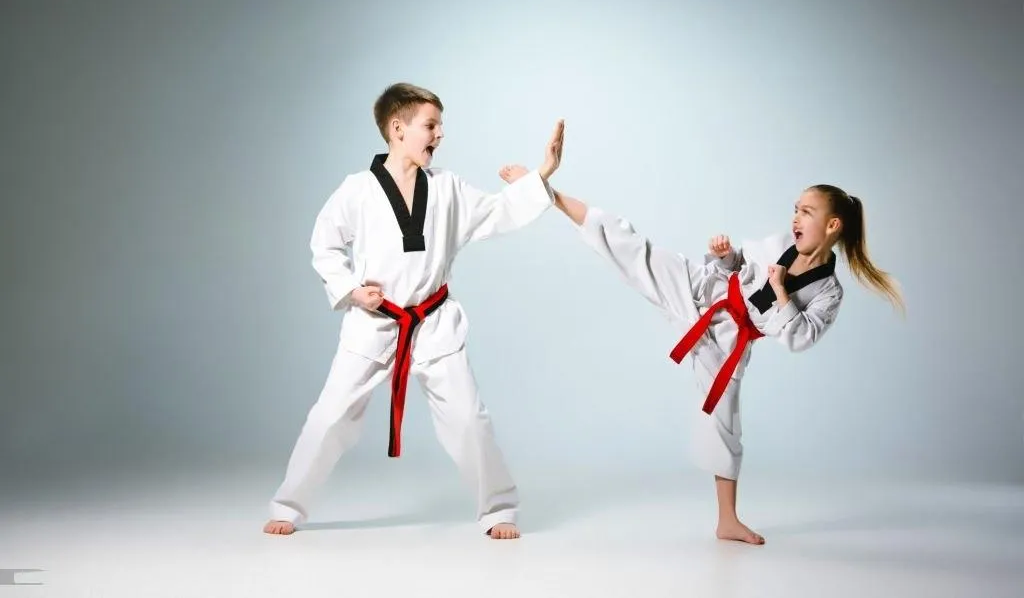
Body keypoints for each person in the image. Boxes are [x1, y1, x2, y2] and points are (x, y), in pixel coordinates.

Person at [497, 166, 903, 544]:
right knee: (633, 245)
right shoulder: (781, 244)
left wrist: (781, 293)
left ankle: (727, 520)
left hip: (728, 342)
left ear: (833, 225)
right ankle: (547, 192)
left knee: (725, 422)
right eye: (795, 210)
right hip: (703, 292)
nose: (795, 218)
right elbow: (737, 265)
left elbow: (800, 339)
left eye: (807, 212)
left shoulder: (829, 291)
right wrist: (725, 256)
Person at [264, 84, 565, 540]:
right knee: (329, 418)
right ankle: (289, 504)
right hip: (373, 323)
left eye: (440, 126)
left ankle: (498, 509)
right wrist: (349, 289)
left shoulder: (447, 187)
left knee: (468, 418)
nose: (440, 134)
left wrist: (542, 171)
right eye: (431, 125)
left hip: (434, 321)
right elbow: (323, 243)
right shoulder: (357, 190)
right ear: (397, 129)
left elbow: (498, 212)